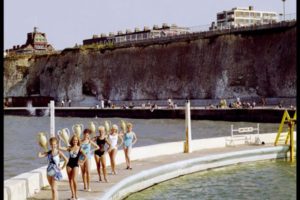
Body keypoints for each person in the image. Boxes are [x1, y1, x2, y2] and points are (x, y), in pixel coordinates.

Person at [59, 135, 87, 200]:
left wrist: (82, 162)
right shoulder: (69, 148)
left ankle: (76, 194)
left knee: (74, 180)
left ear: (78, 141)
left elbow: (85, 156)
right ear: (72, 141)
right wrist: (60, 139)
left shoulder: (80, 148)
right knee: (70, 180)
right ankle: (73, 195)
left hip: (76, 165)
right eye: (74, 140)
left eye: (76, 140)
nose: (75, 141)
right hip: (69, 165)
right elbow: (60, 148)